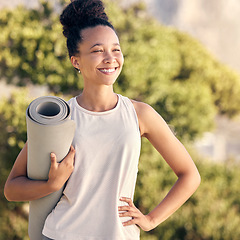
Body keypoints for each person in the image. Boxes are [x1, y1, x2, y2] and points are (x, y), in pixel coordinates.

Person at [4, 0, 201, 239]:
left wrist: (151, 220)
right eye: (98, 51)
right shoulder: (62, 117)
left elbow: (190, 175)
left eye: (115, 49)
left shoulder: (140, 114)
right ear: (76, 61)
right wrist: (51, 185)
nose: (110, 58)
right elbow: (12, 188)